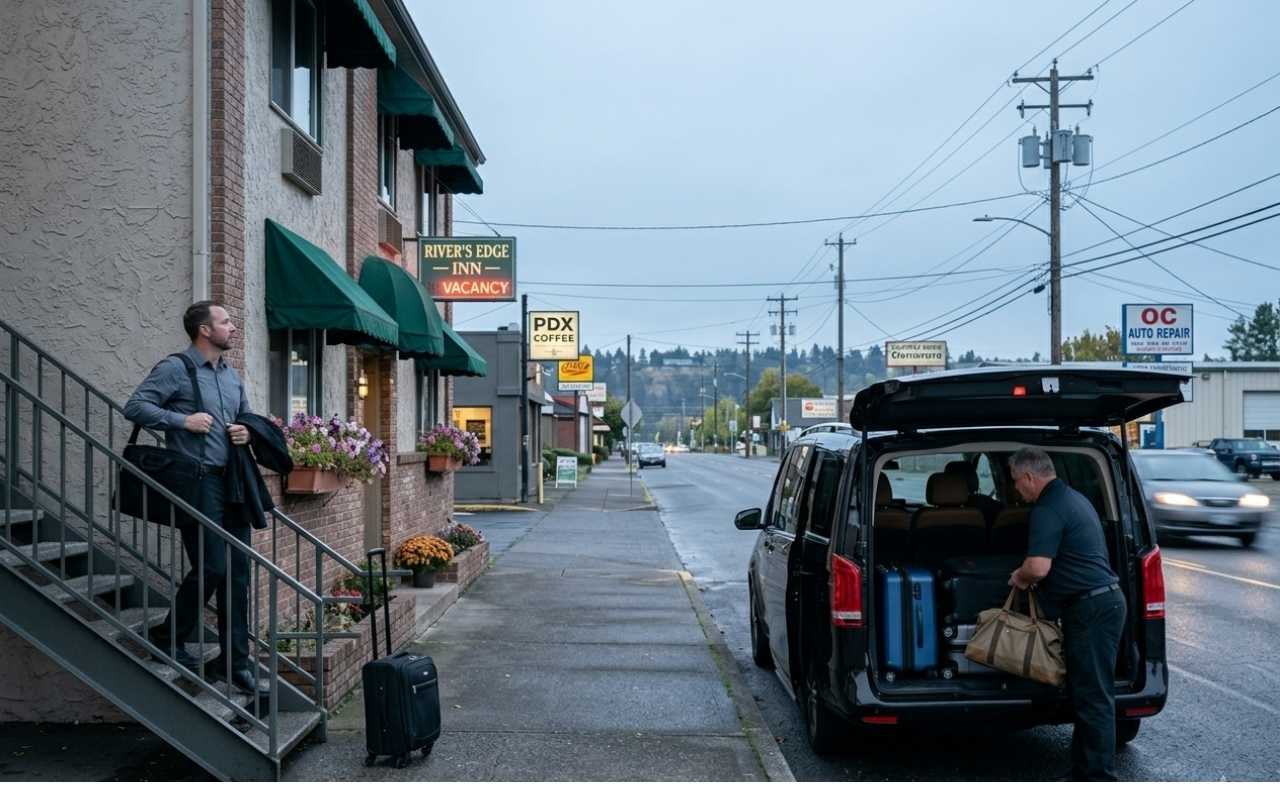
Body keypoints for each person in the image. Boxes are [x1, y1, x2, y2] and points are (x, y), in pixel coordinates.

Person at [124, 301, 258, 693]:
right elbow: (135, 406)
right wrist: (182, 421)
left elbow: (246, 415)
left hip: (231, 482)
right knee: (212, 566)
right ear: (204, 330)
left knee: (237, 573)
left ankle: (235, 661)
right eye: (225, 322)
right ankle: (168, 636)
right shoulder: (176, 369)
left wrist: (245, 432)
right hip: (196, 483)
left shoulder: (230, 375)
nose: (232, 327)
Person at [1007, 446, 1126, 781]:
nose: (1016, 489)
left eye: (1016, 482)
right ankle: (1082, 770)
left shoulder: (1047, 508)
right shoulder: (1074, 498)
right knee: (1085, 693)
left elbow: (1038, 568)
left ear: (1030, 477)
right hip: (1100, 604)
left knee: (1094, 697)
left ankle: (1099, 777)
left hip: (1092, 609)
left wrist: (1019, 576)